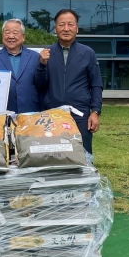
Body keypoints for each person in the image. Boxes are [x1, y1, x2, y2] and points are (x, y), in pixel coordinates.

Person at [35, 9, 103, 154]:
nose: (66, 29)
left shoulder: (87, 53)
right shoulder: (47, 53)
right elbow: (39, 85)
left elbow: (96, 84)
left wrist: (95, 112)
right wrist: (42, 64)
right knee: (54, 155)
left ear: (77, 28)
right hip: (52, 114)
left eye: (70, 24)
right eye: (61, 24)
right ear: (55, 29)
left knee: (82, 154)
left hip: (80, 115)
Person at [0, 18, 42, 113]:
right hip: (2, 112)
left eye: (15, 33)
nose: (11, 36)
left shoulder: (36, 57)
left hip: (30, 110)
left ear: (23, 37)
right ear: (2, 36)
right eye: (7, 32)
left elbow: (42, 83)